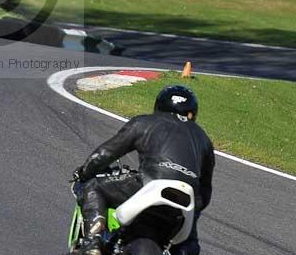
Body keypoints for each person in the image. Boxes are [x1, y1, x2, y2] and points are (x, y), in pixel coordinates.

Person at [71, 85, 214, 255]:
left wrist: (83, 173)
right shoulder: (204, 139)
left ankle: (91, 245)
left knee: (94, 186)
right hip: (186, 198)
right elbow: (205, 191)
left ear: (158, 106)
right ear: (193, 113)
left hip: (149, 183)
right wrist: (195, 208)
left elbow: (104, 154)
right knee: (189, 242)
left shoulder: (145, 122)